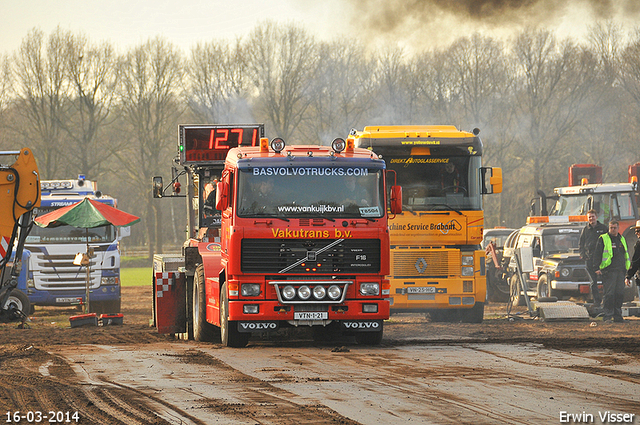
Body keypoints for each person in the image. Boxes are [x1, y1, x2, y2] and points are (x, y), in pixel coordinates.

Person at [593, 220, 630, 322]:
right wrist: (596, 267)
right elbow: (597, 253)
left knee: (619, 293)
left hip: (620, 270)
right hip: (609, 270)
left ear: (618, 228)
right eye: (611, 228)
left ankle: (618, 316)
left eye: (614, 228)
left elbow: (625, 254)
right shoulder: (603, 238)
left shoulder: (621, 239)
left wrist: (627, 269)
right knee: (609, 294)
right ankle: (608, 316)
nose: (612, 230)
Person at [579, 209, 607, 306]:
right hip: (589, 260)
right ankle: (597, 302)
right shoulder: (585, 230)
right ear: (587, 218)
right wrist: (583, 255)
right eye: (589, 217)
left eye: (593, 216)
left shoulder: (603, 229)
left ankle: (606, 301)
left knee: (605, 281)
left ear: (596, 217)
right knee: (593, 282)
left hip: (602, 260)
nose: (591, 219)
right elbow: (581, 244)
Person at [625, 220, 640, 298]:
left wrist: (628, 276)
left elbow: (635, 262)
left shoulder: (638, 245)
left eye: (638, 231)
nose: (636, 233)